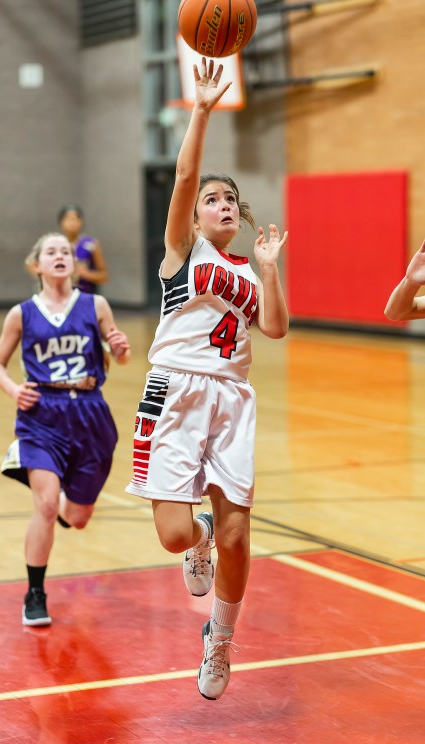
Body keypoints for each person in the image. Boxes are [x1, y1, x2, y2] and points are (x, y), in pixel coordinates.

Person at [125, 58, 289, 701]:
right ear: (194, 219)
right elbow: (186, 175)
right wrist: (200, 109)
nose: (222, 205)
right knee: (174, 534)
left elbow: (274, 328)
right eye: (211, 200)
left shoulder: (247, 271)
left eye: (229, 201)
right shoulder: (183, 253)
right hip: (173, 390)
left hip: (232, 398)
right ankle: (198, 545)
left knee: (240, 533)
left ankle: (220, 636)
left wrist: (270, 270)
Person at [0, 232, 130, 627]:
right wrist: (14, 390)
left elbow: (118, 355)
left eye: (65, 252)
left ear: (73, 262)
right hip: (42, 415)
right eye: (51, 252)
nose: (60, 256)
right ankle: (35, 593)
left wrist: (120, 349)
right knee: (47, 506)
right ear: (36, 265)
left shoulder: (95, 305)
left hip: (90, 413)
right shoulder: (21, 314)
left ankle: (62, 494)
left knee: (78, 517)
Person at [58, 204, 109, 294]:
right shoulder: (54, 245)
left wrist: (86, 274)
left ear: (81, 222)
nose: (72, 223)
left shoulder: (91, 244)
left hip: (85, 295)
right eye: (68, 219)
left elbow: (104, 276)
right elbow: (33, 265)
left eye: (75, 219)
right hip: (61, 296)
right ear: (61, 222)